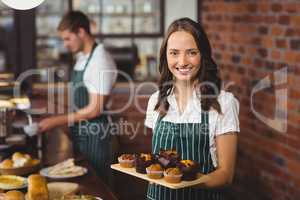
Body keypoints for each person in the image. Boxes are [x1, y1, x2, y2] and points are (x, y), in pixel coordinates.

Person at [144, 18, 239, 200]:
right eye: (174, 53)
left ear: (203, 54)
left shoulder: (223, 103)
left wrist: (182, 180)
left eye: (191, 53)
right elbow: (158, 161)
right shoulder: (155, 101)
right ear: (166, 56)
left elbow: (226, 175)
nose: (182, 61)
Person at [38, 11, 117, 183]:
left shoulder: (99, 60)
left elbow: (95, 109)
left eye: (67, 38)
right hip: (82, 133)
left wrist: (55, 121)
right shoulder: (83, 57)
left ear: (81, 32)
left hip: (95, 135)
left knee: (98, 185)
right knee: (82, 183)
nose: (65, 44)